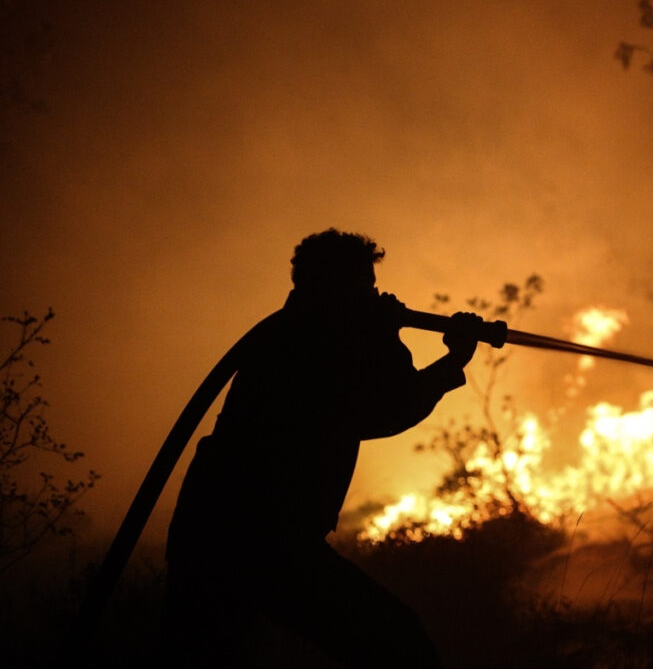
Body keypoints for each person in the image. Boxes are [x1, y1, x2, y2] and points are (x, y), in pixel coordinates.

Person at [163, 229, 480, 667]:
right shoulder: (306, 341)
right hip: (254, 538)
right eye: (366, 286)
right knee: (398, 644)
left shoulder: (306, 333)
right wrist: (409, 344)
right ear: (334, 286)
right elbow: (389, 408)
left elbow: (376, 406)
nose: (376, 295)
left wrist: (434, 357)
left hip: (233, 532)